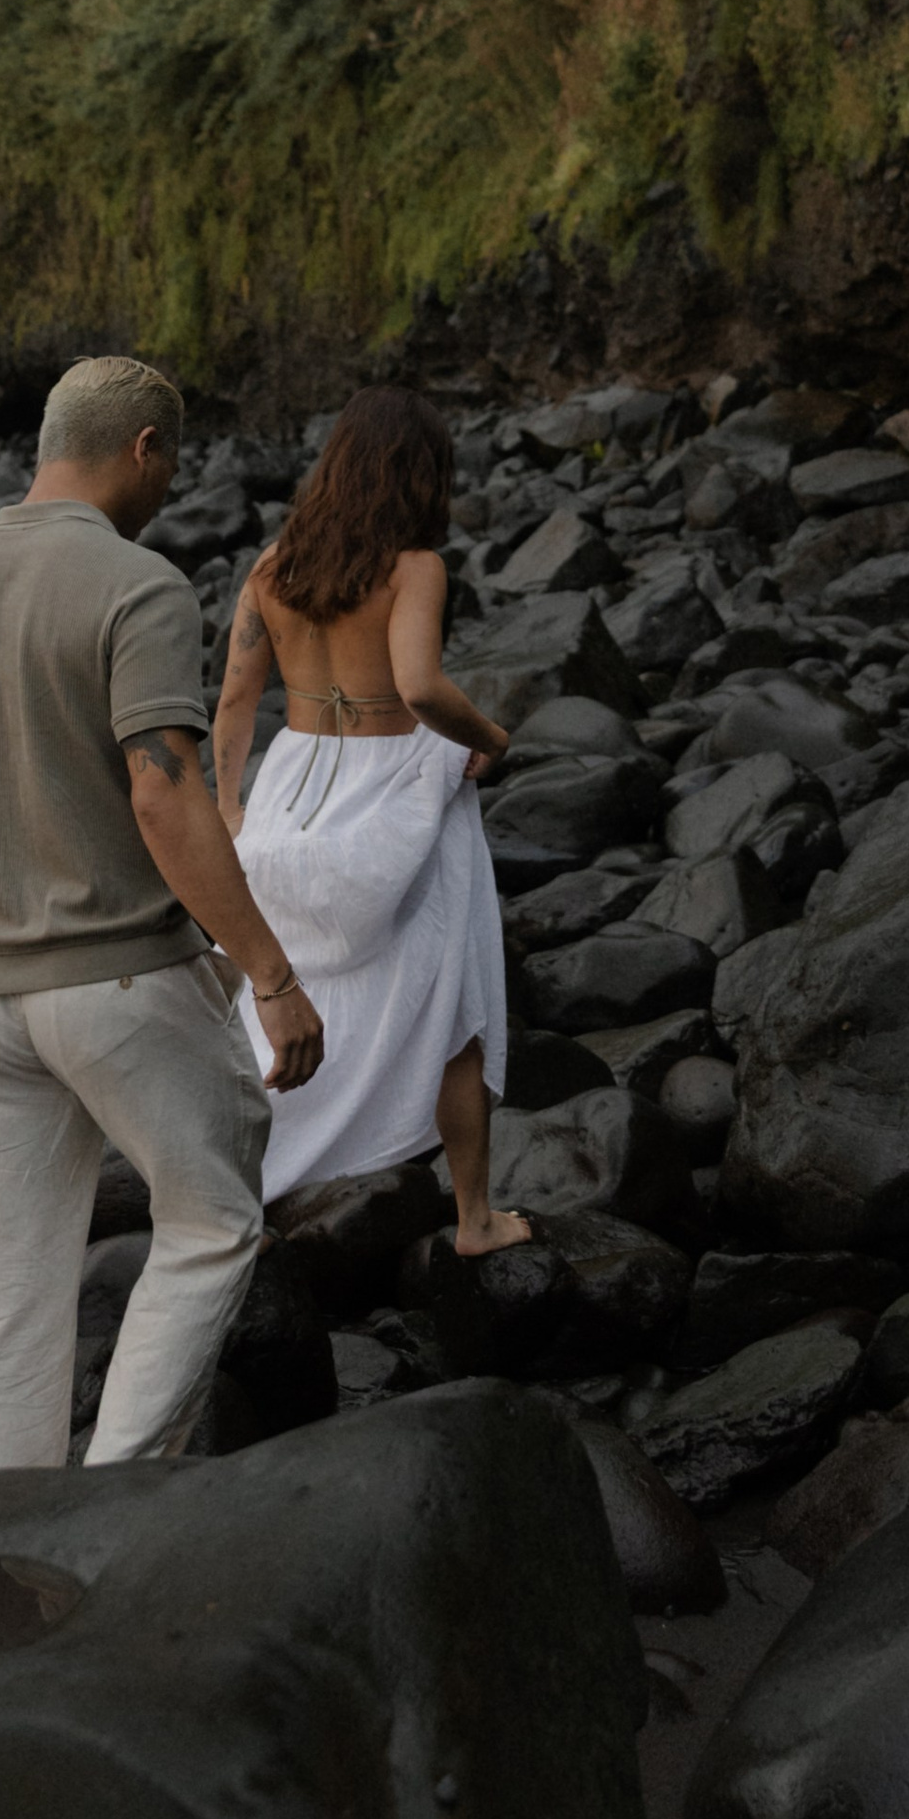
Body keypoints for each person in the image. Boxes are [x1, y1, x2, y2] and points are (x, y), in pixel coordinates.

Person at [0, 353, 324, 1472]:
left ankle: (8, 1506)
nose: (170, 484)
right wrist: (268, 971)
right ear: (144, 449)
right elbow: (165, 791)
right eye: (170, 461)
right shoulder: (139, 584)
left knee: (3, 1275)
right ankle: (118, 1485)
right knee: (213, 1215)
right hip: (119, 978)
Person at [212, 385, 527, 1253]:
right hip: (395, 789)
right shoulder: (414, 568)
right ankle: (473, 1220)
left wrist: (232, 809)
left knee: (275, 991)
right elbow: (421, 687)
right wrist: (492, 738)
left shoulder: (273, 567)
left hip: (293, 790)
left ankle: (248, 1184)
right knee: (453, 998)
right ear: (419, 474)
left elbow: (236, 696)